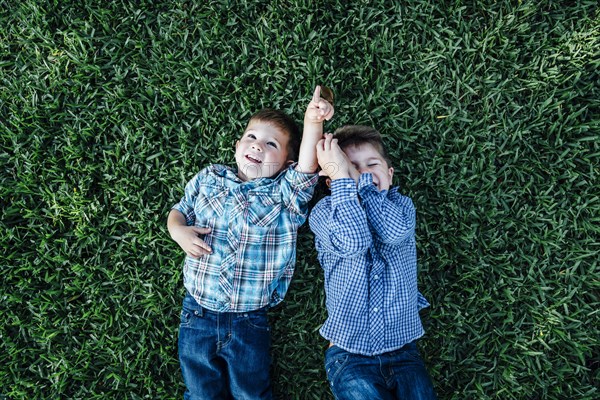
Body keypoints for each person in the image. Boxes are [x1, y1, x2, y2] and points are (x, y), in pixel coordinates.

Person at [167, 86, 334, 399]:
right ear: (236, 146)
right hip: (197, 312)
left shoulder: (285, 195)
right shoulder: (210, 177)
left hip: (249, 319)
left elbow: (308, 165)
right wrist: (178, 231)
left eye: (271, 144)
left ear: (287, 163)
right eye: (251, 137)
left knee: (251, 393)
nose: (257, 146)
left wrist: (314, 121)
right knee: (201, 392)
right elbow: (179, 211)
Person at [309, 126, 437, 400]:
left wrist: (361, 186)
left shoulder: (401, 207)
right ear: (333, 181)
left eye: (372, 165)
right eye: (352, 167)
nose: (363, 173)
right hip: (350, 354)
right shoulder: (324, 213)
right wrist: (345, 180)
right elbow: (353, 242)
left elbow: (392, 234)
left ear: (389, 174)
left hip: (404, 351)